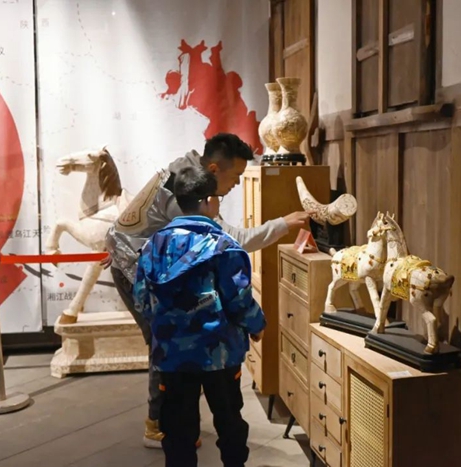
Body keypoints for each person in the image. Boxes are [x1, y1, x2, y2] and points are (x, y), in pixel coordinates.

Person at [103, 133, 308, 447]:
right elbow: (234, 240)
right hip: (137, 268)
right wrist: (284, 223)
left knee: (171, 340)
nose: (237, 184)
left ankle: (175, 422)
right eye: (236, 176)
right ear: (213, 170)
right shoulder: (186, 197)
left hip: (141, 263)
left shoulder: (183, 174)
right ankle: (157, 425)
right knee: (164, 340)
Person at [133, 165, 265, 467]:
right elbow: (239, 300)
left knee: (177, 429)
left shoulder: (154, 246)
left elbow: (142, 299)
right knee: (229, 422)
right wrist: (257, 325)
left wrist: (167, 326)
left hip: (172, 355)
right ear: (207, 201)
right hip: (220, 353)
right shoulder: (224, 246)